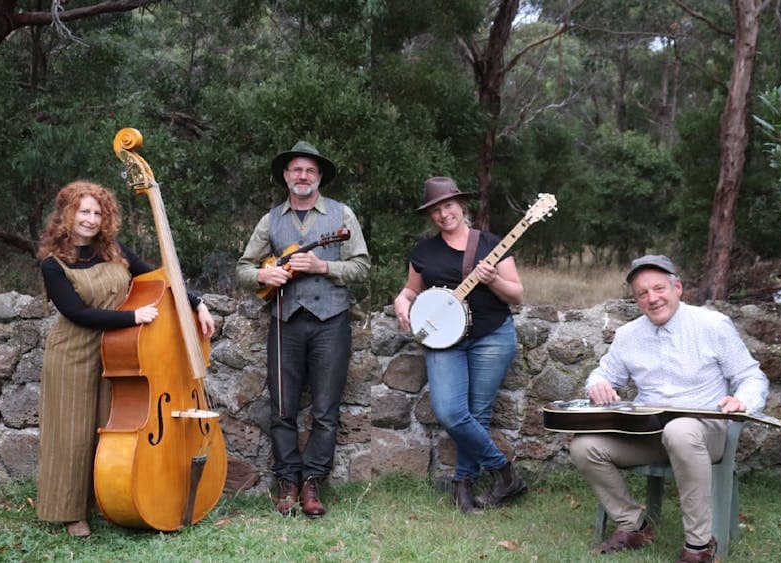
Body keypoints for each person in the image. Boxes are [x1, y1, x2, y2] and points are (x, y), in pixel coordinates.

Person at [35, 180, 215, 537]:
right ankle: (72, 515)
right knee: (73, 435)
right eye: (83, 211)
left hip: (119, 353)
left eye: (97, 212)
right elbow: (76, 313)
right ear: (67, 216)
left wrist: (197, 303)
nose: (90, 219)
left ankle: (109, 499)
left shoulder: (116, 250)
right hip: (74, 352)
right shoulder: (53, 265)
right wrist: (132, 318)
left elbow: (160, 279)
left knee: (109, 432)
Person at [570, 255, 769, 563]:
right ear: (636, 300)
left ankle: (699, 546)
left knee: (679, 430)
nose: (652, 298)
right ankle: (634, 525)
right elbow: (602, 374)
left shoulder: (712, 325)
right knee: (584, 446)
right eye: (642, 294)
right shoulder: (628, 335)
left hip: (705, 432)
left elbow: (751, 376)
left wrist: (743, 400)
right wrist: (597, 385)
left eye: (659, 288)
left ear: (678, 287)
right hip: (648, 433)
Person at [236, 141, 370, 518]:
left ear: (319, 176)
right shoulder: (271, 220)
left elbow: (361, 267)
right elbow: (244, 267)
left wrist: (324, 267)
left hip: (332, 323)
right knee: (282, 408)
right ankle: (288, 481)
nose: (302, 176)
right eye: (296, 169)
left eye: (310, 170)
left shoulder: (342, 215)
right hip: (285, 321)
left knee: (326, 410)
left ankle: (313, 482)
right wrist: (264, 274)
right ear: (285, 176)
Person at [392, 176, 527, 514]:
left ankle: (462, 486)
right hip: (443, 340)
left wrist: (493, 279)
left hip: (492, 336)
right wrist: (401, 300)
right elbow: (411, 290)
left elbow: (517, 295)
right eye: (436, 210)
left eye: (448, 205)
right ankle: (504, 471)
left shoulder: (491, 244)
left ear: (462, 206)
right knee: (451, 411)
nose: (444, 214)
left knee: (478, 415)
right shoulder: (424, 251)